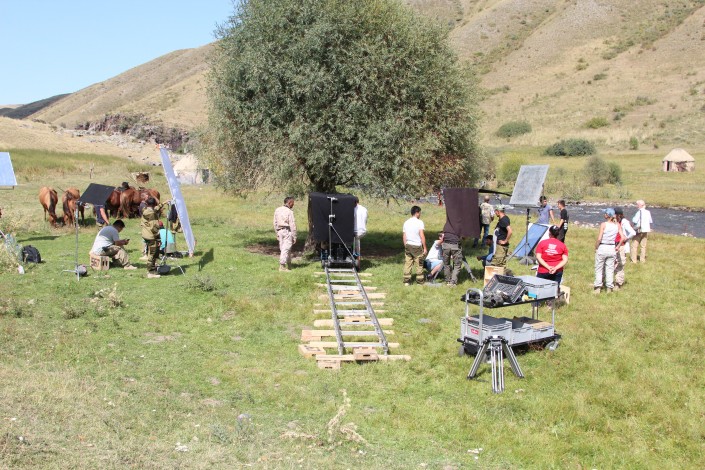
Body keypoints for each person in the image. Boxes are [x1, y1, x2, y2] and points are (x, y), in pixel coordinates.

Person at [594, 208, 624, 294]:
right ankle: (609, 288)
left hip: (603, 246)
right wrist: (618, 246)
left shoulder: (603, 224)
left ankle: (598, 287)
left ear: (607, 215)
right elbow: (622, 237)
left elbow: (599, 238)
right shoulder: (617, 225)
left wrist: (596, 247)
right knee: (610, 269)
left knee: (599, 268)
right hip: (612, 248)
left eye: (605, 213)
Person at [141, 197, 167, 278]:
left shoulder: (145, 210)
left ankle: (152, 269)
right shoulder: (152, 214)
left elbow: (154, 209)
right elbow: (154, 227)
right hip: (151, 236)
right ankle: (151, 272)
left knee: (151, 253)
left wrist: (162, 204)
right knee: (153, 254)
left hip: (146, 234)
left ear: (147, 204)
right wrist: (158, 239)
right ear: (154, 204)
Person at [402, 205, 426, 285]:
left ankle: (406, 281)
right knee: (419, 264)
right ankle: (420, 281)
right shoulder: (419, 222)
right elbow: (422, 235)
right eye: (420, 213)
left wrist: (405, 245)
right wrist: (425, 248)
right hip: (417, 246)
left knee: (408, 263)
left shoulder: (406, 222)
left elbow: (404, 236)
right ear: (417, 213)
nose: (420, 214)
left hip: (408, 245)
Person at [614, 207, 636, 290]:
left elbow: (633, 232)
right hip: (615, 245)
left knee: (620, 264)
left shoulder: (624, 222)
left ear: (618, 215)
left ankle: (619, 283)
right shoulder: (615, 221)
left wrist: (626, 238)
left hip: (622, 245)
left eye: (614, 214)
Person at [273, 196, 297, 272]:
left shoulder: (277, 210)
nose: (293, 205)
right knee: (285, 248)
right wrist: (294, 236)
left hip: (280, 231)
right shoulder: (289, 212)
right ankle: (282, 266)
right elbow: (292, 224)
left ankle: (289, 264)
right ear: (289, 202)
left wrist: (277, 232)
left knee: (285, 248)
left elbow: (275, 222)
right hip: (287, 231)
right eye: (293, 203)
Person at [353, 197, 368, 268]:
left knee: (356, 247)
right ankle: (357, 261)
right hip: (363, 230)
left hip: (356, 230)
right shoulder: (364, 209)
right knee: (357, 245)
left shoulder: (353, 209)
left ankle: (357, 264)